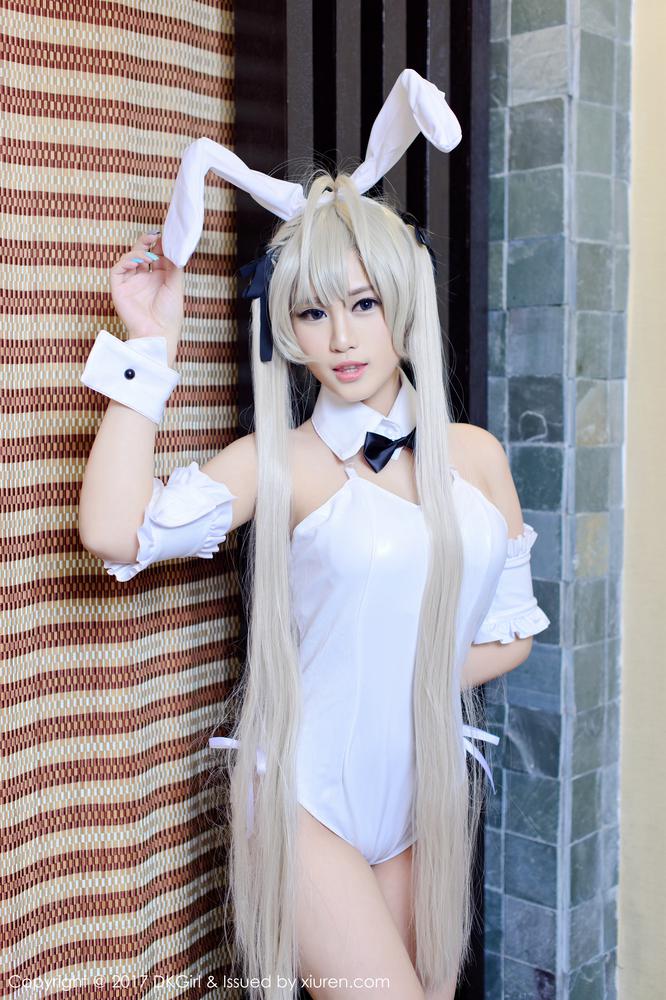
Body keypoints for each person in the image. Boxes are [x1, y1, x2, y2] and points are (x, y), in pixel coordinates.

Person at [78, 73, 550, 1000]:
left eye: (363, 303)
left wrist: (411, 669)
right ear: (287, 327)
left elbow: (511, 634)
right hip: (303, 797)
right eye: (312, 310)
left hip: (421, 794)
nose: (341, 337)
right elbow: (112, 532)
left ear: (403, 302)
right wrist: (151, 343)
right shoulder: (281, 461)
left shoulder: (477, 456)